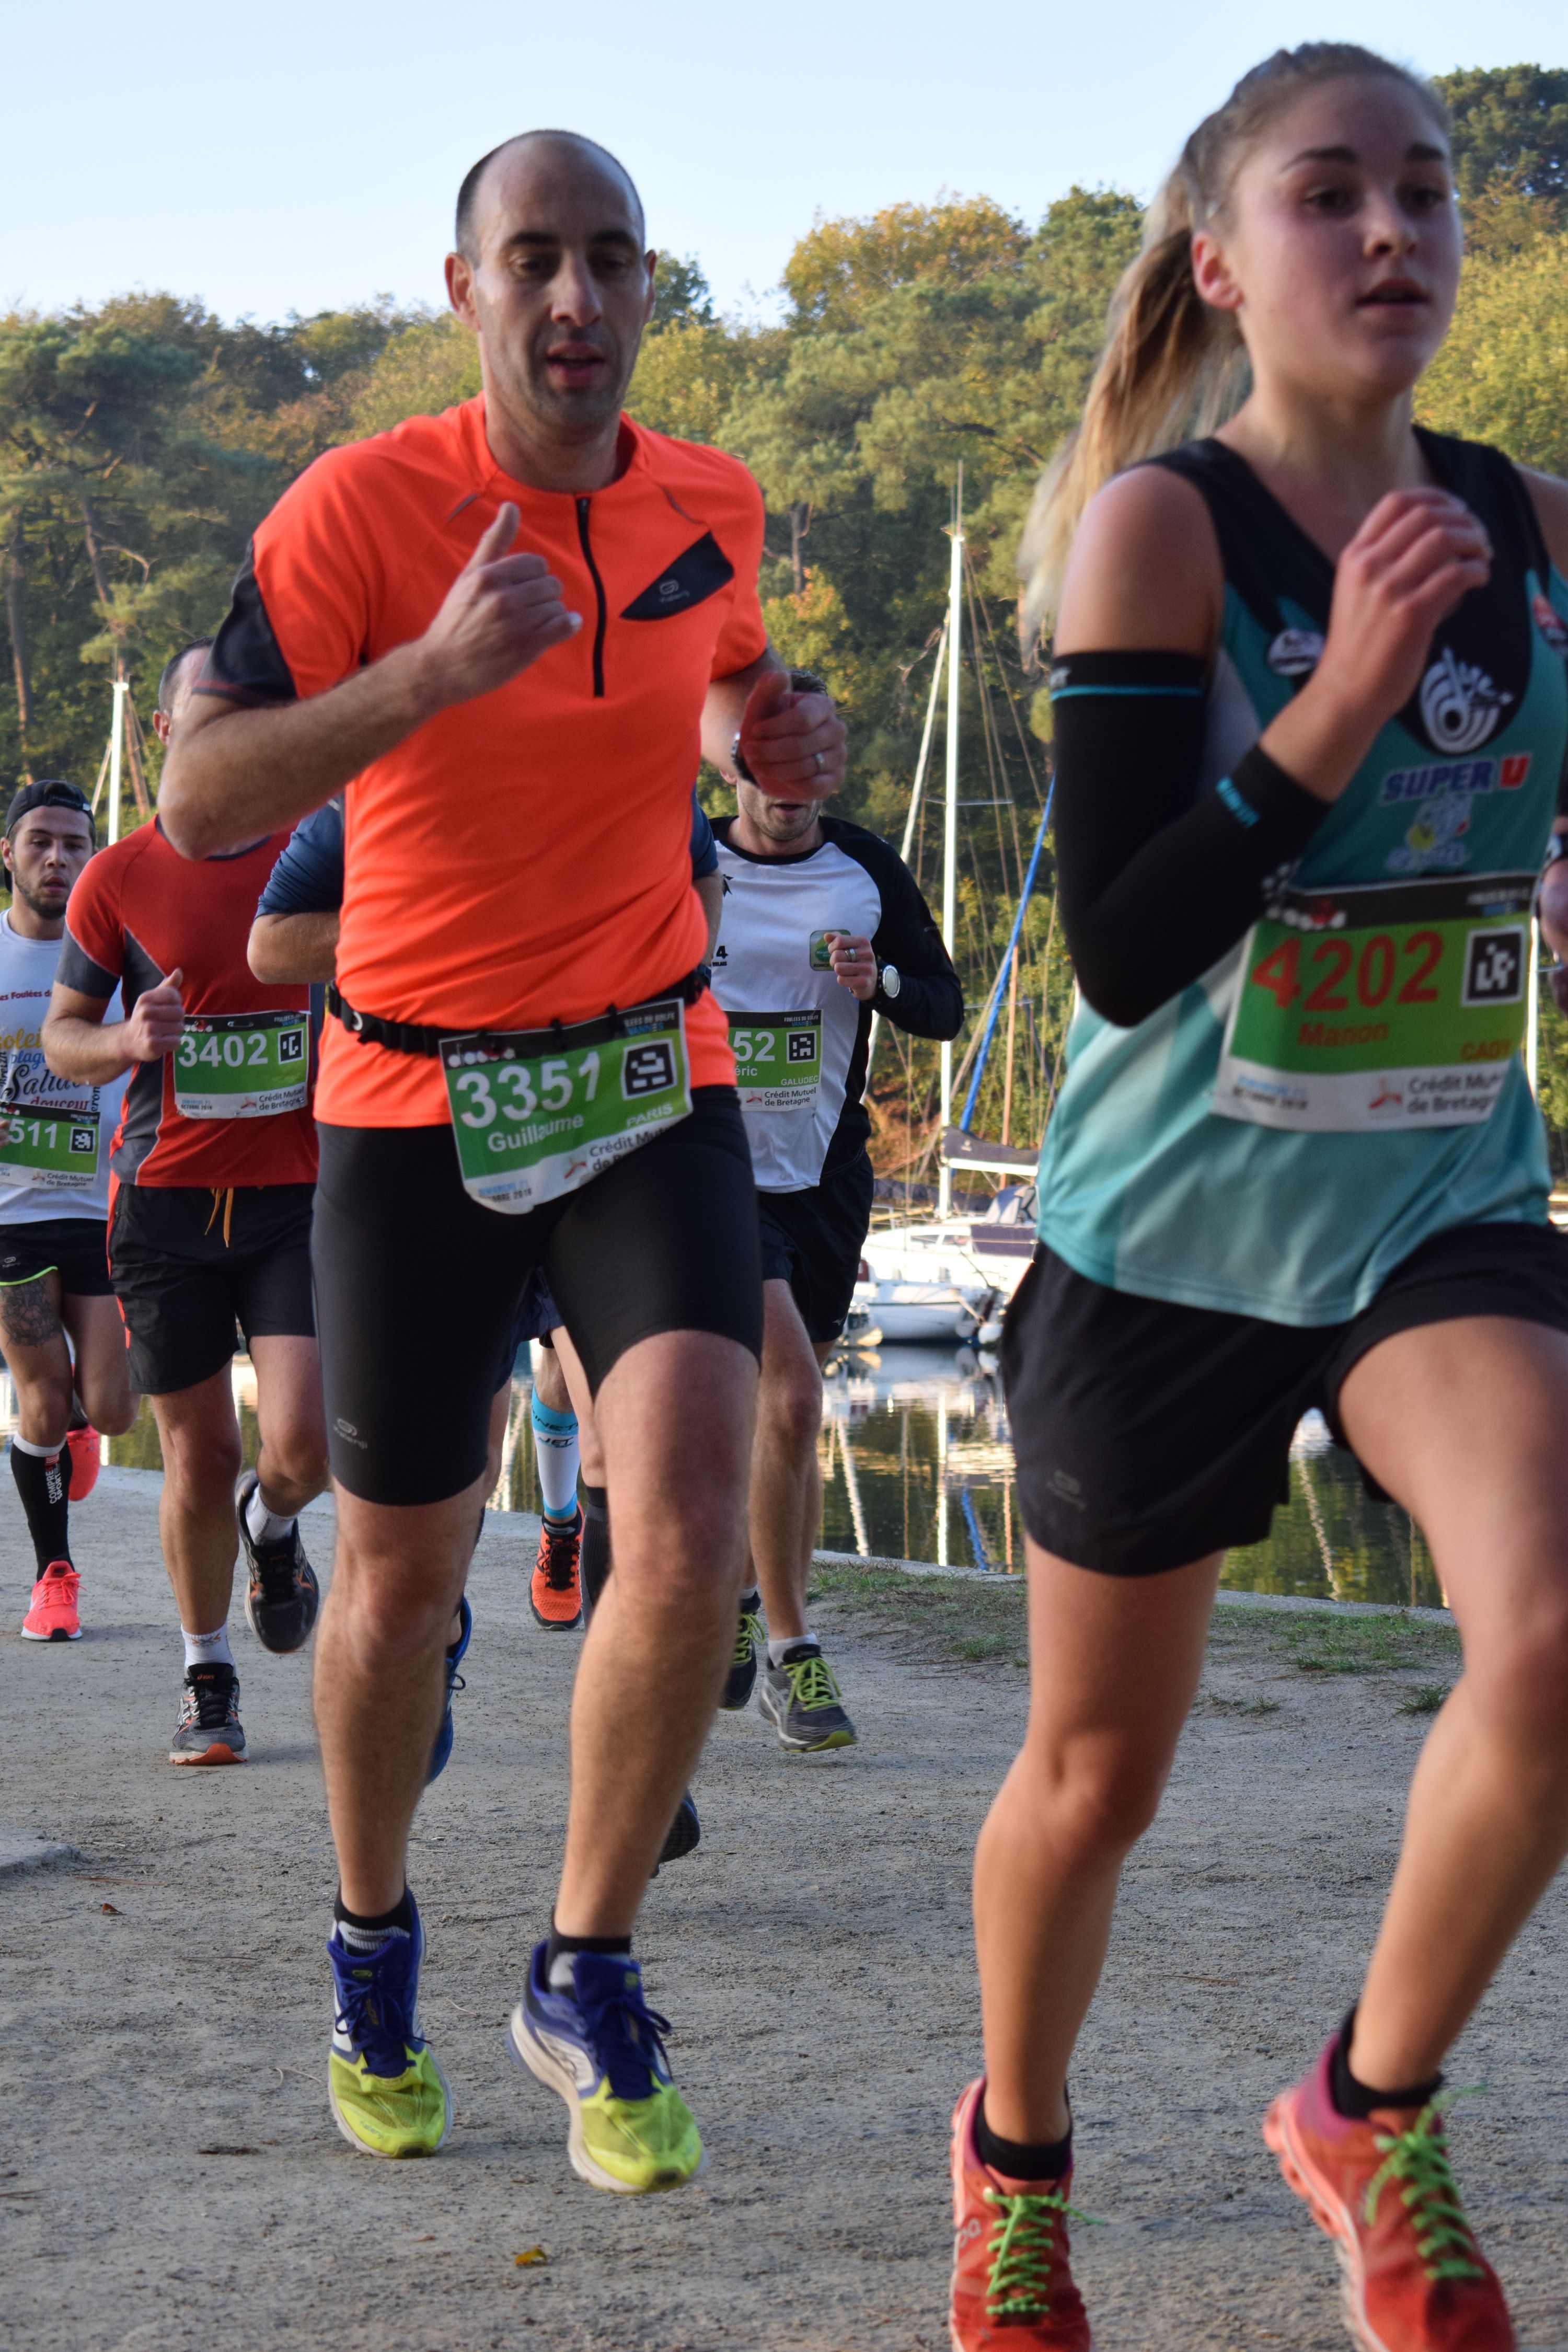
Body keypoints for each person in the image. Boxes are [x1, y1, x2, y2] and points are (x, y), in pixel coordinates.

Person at [950, 46, 1568, 2352]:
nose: (1394, 230)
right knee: (1097, 1777)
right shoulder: (1169, 532)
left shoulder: (1539, 524)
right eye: (1333, 193)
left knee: (1554, 1636)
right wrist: (1347, 694)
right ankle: (1018, 2156)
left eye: (1429, 188)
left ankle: (1366, 2107)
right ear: (1222, 260)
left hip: (1437, 1199)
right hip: (1172, 1239)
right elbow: (1123, 945)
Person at [158, 129, 844, 2183]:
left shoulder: (708, 501)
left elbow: (724, 675)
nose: (574, 298)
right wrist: (429, 677)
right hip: (411, 1102)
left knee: (692, 1515)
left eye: (611, 258)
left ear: (649, 287)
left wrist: (763, 738)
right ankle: (372, 1938)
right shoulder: (359, 508)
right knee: (401, 1582)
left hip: (648, 1067)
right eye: (531, 257)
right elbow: (201, 799)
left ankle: (584, 1962)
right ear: (463, 288)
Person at [247, 779, 725, 1632]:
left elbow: (702, 880)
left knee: (634, 1453)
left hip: (599, 1126)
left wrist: (651, 976)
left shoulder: (628, 750)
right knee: (452, 1475)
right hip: (440, 1143)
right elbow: (272, 946)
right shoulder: (393, 773)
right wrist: (456, 927)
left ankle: (608, 1652)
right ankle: (423, 1641)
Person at [42, 640, 330, 1765]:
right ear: (168, 731)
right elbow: (63, 1040)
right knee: (199, 1455)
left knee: (304, 1443)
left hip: (295, 1197)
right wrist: (125, 1040)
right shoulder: (118, 876)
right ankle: (207, 1673)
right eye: (210, 711)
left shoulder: (315, 850)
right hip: (164, 1207)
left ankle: (275, 1522)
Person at [710, 696, 962, 1748]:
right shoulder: (686, 862)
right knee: (796, 1398)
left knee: (789, 1420)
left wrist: (881, 978)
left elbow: (942, 1004)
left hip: (825, 1172)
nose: (788, 796)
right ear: (733, 771)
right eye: (770, 774)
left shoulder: (865, 869)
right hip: (712, 1168)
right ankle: (794, 1652)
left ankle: (739, 1598)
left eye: (808, 774)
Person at [0, 780, 137, 1640]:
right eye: (40, 841)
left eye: (74, 844)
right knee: (41, 1400)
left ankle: (85, 1424)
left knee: (114, 1408)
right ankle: (54, 1576)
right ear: (8, 855)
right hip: (11, 1213)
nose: (57, 858)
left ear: (94, 857)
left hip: (106, 1207)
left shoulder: (119, 957)